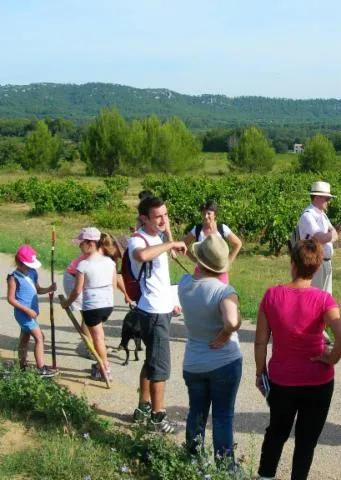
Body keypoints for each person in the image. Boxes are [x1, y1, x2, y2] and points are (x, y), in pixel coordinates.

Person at [255, 239, 341, 480]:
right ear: (315, 269)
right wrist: (332, 358)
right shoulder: (324, 300)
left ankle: (266, 476)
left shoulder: (272, 295)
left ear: (293, 263)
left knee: (276, 432)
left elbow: (260, 341)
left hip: (282, 380)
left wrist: (260, 372)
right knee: (306, 441)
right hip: (319, 382)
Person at [178, 234, 242, 472]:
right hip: (223, 361)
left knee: (196, 413)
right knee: (223, 416)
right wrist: (225, 334)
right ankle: (225, 468)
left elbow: (195, 277)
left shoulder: (185, 284)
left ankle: (192, 461)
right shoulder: (224, 291)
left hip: (194, 362)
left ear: (200, 261)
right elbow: (232, 320)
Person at [129, 196, 187, 433]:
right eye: (158, 216)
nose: (164, 220)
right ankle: (157, 417)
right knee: (160, 367)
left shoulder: (157, 236)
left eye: (165, 214)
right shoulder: (138, 240)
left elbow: (159, 279)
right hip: (152, 311)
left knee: (151, 361)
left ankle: (143, 406)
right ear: (144, 218)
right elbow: (141, 256)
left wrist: (171, 300)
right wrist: (171, 244)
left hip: (159, 306)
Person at [61, 227, 116, 381]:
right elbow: (113, 284)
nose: (80, 246)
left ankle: (105, 368)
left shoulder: (83, 265)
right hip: (107, 305)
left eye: (81, 243)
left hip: (92, 306)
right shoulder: (109, 261)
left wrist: (67, 303)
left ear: (91, 243)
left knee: (97, 338)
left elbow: (77, 290)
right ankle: (101, 366)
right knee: (100, 335)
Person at [7, 244, 57, 377]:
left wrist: (49, 289)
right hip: (23, 314)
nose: (30, 267)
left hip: (31, 313)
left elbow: (38, 289)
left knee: (24, 338)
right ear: (20, 262)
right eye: (28, 265)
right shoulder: (13, 277)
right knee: (40, 337)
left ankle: (21, 364)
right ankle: (41, 369)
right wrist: (27, 310)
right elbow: (11, 299)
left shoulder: (33, 273)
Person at [182, 200, 242, 283]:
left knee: (221, 294)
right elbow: (183, 244)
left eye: (209, 213)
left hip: (220, 273)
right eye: (203, 214)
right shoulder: (198, 229)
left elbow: (238, 244)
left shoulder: (222, 228)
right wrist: (195, 259)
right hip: (201, 272)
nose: (206, 216)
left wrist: (228, 261)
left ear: (215, 214)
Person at [298, 181, 338, 293]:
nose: (328, 202)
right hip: (314, 264)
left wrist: (327, 236)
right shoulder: (308, 216)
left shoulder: (322, 214)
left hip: (325, 263)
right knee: (315, 299)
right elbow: (322, 238)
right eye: (326, 199)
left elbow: (334, 234)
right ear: (317, 197)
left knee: (325, 299)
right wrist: (329, 236)